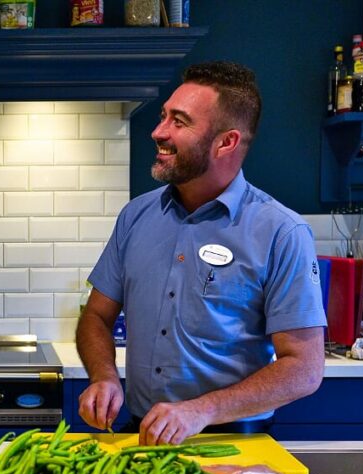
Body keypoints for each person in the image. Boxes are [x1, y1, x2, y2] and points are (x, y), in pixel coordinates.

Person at [76, 61, 326, 446]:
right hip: (141, 434)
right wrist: (104, 376)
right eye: (163, 117)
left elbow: (304, 369)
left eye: (180, 121)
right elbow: (96, 315)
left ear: (226, 141)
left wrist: (202, 410)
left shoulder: (281, 231)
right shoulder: (136, 216)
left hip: (232, 443)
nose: (159, 132)